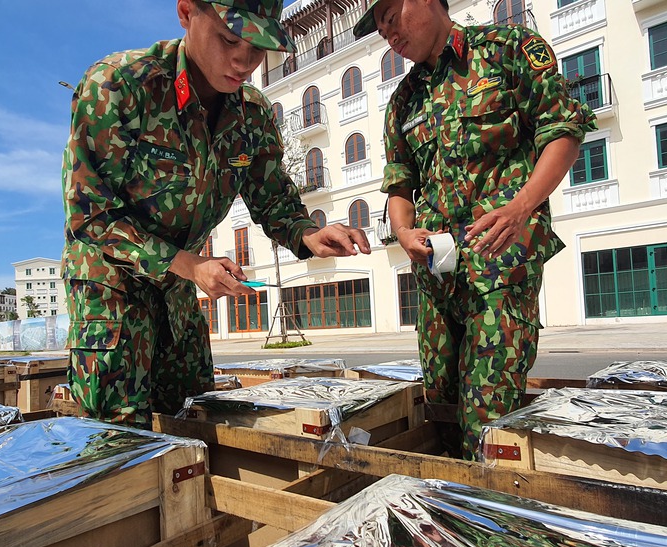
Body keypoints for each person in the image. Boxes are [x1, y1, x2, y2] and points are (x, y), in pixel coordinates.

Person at [63, 0, 371, 427]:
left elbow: (273, 198)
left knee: (193, 416)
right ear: (187, 12)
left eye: (258, 47)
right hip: (111, 287)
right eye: (229, 40)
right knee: (119, 434)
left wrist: (307, 234)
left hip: (179, 290)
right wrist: (190, 265)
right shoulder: (119, 86)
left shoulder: (252, 114)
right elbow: (91, 215)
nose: (244, 62)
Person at [355, 0, 596, 459]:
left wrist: (521, 207)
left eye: (391, 17)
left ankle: (491, 503)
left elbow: (564, 130)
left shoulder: (508, 50)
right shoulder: (404, 100)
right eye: (381, 29)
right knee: (440, 406)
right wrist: (403, 232)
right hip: (437, 275)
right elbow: (400, 182)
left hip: (498, 269)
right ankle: (452, 500)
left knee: (487, 414)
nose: (389, 34)